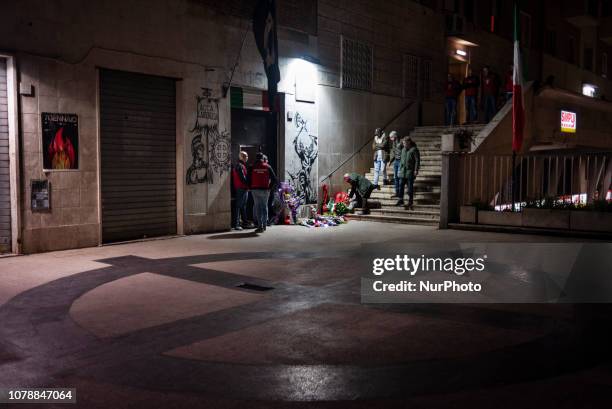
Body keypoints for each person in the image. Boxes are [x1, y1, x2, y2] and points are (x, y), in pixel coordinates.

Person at [249, 152, 277, 233]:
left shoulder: (252, 167)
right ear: (262, 158)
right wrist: (269, 188)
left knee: (257, 207)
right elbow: (274, 179)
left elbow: (248, 178)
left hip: (255, 190)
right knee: (264, 207)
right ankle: (264, 225)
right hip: (265, 190)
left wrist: (250, 187)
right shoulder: (268, 167)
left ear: (256, 158)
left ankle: (259, 226)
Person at [396, 138, 420, 209]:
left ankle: (410, 201)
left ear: (409, 142)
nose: (404, 145)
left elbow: (417, 160)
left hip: (410, 171)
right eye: (403, 143)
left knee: (410, 187)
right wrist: (399, 169)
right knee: (401, 186)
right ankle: (401, 199)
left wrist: (416, 170)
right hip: (403, 171)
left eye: (405, 143)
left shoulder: (414, 150)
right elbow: (401, 160)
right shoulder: (403, 150)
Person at [231, 151, 249, 231]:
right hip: (241, 188)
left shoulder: (241, 165)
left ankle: (244, 223)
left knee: (243, 206)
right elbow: (242, 178)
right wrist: (249, 184)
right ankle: (236, 225)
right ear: (241, 157)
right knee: (238, 206)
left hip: (243, 188)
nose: (247, 158)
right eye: (246, 156)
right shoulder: (239, 166)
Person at [388, 131, 402, 198]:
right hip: (396, 161)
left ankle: (400, 193)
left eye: (391, 137)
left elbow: (404, 152)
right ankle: (397, 193)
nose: (390, 138)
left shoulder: (401, 142)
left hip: (401, 161)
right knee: (395, 177)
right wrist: (390, 161)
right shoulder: (393, 143)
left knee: (399, 177)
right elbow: (393, 152)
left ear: (395, 136)